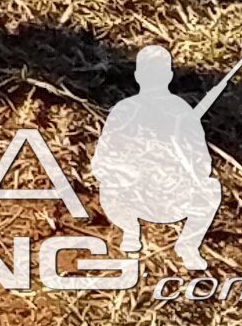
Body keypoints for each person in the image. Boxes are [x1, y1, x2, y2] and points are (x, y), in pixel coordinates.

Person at [91, 46, 221, 269]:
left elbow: (201, 164)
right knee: (109, 186)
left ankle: (188, 246)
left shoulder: (181, 111)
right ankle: (131, 232)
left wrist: (179, 167)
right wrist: (131, 171)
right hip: (132, 193)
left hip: (172, 197)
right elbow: (102, 160)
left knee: (211, 188)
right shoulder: (126, 110)